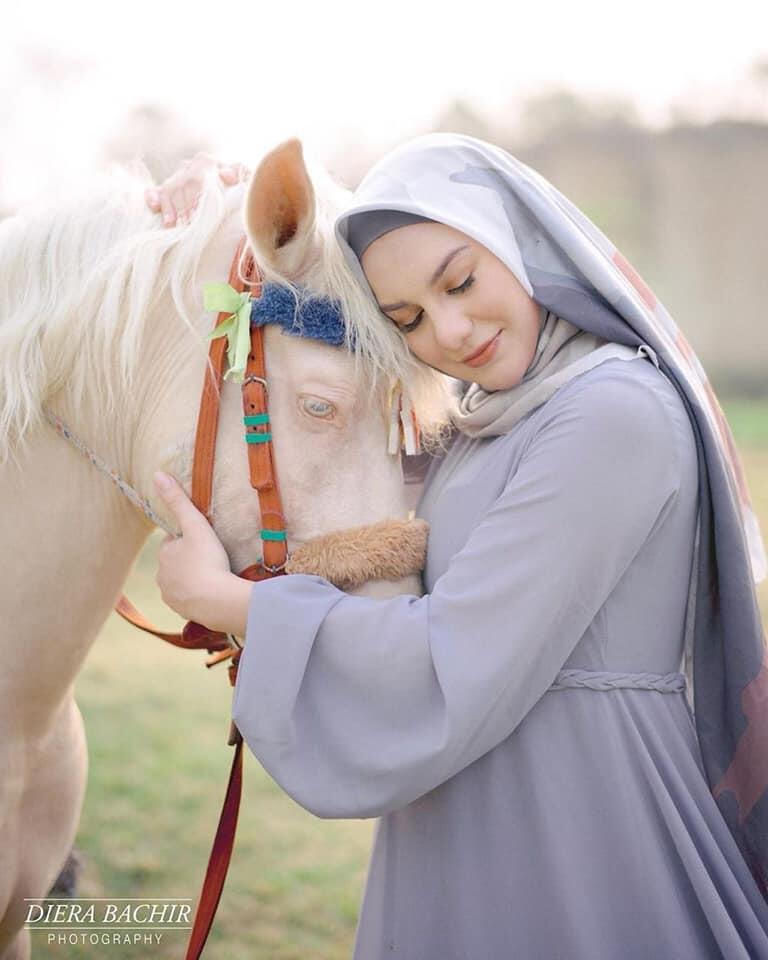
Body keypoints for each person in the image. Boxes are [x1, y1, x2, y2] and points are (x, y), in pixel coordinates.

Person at [150, 133, 768, 958]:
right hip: (462, 809)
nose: (450, 329)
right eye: (405, 319)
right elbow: (364, 530)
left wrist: (226, 604)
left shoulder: (615, 411)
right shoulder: (481, 423)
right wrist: (224, 198)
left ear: (518, 240)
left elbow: (456, 649)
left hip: (583, 824)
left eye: (461, 281)